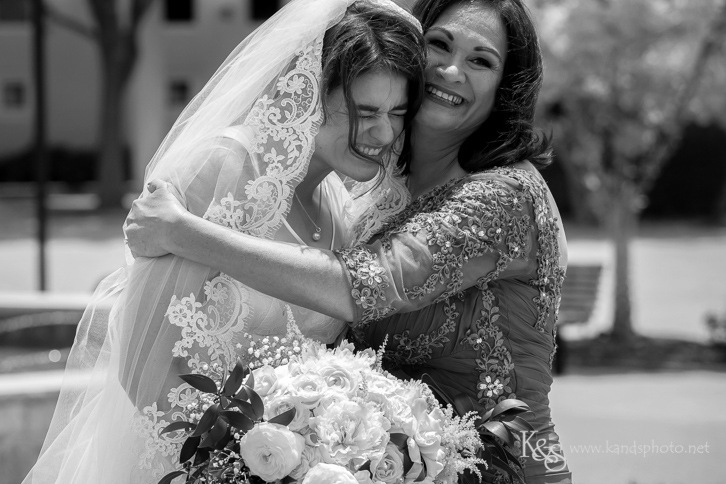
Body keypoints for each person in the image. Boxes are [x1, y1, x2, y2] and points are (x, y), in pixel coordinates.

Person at [126, 0, 573, 483]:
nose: (450, 70)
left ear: (507, 86)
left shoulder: (503, 197)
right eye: (439, 44)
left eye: (480, 60)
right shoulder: (370, 193)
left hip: (504, 467)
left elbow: (370, 282)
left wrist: (184, 233)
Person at [23, 1, 425, 483]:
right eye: (366, 111)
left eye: (398, 112)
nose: (385, 131)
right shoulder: (221, 168)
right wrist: (233, 465)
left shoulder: (338, 207)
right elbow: (142, 361)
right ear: (311, 93)